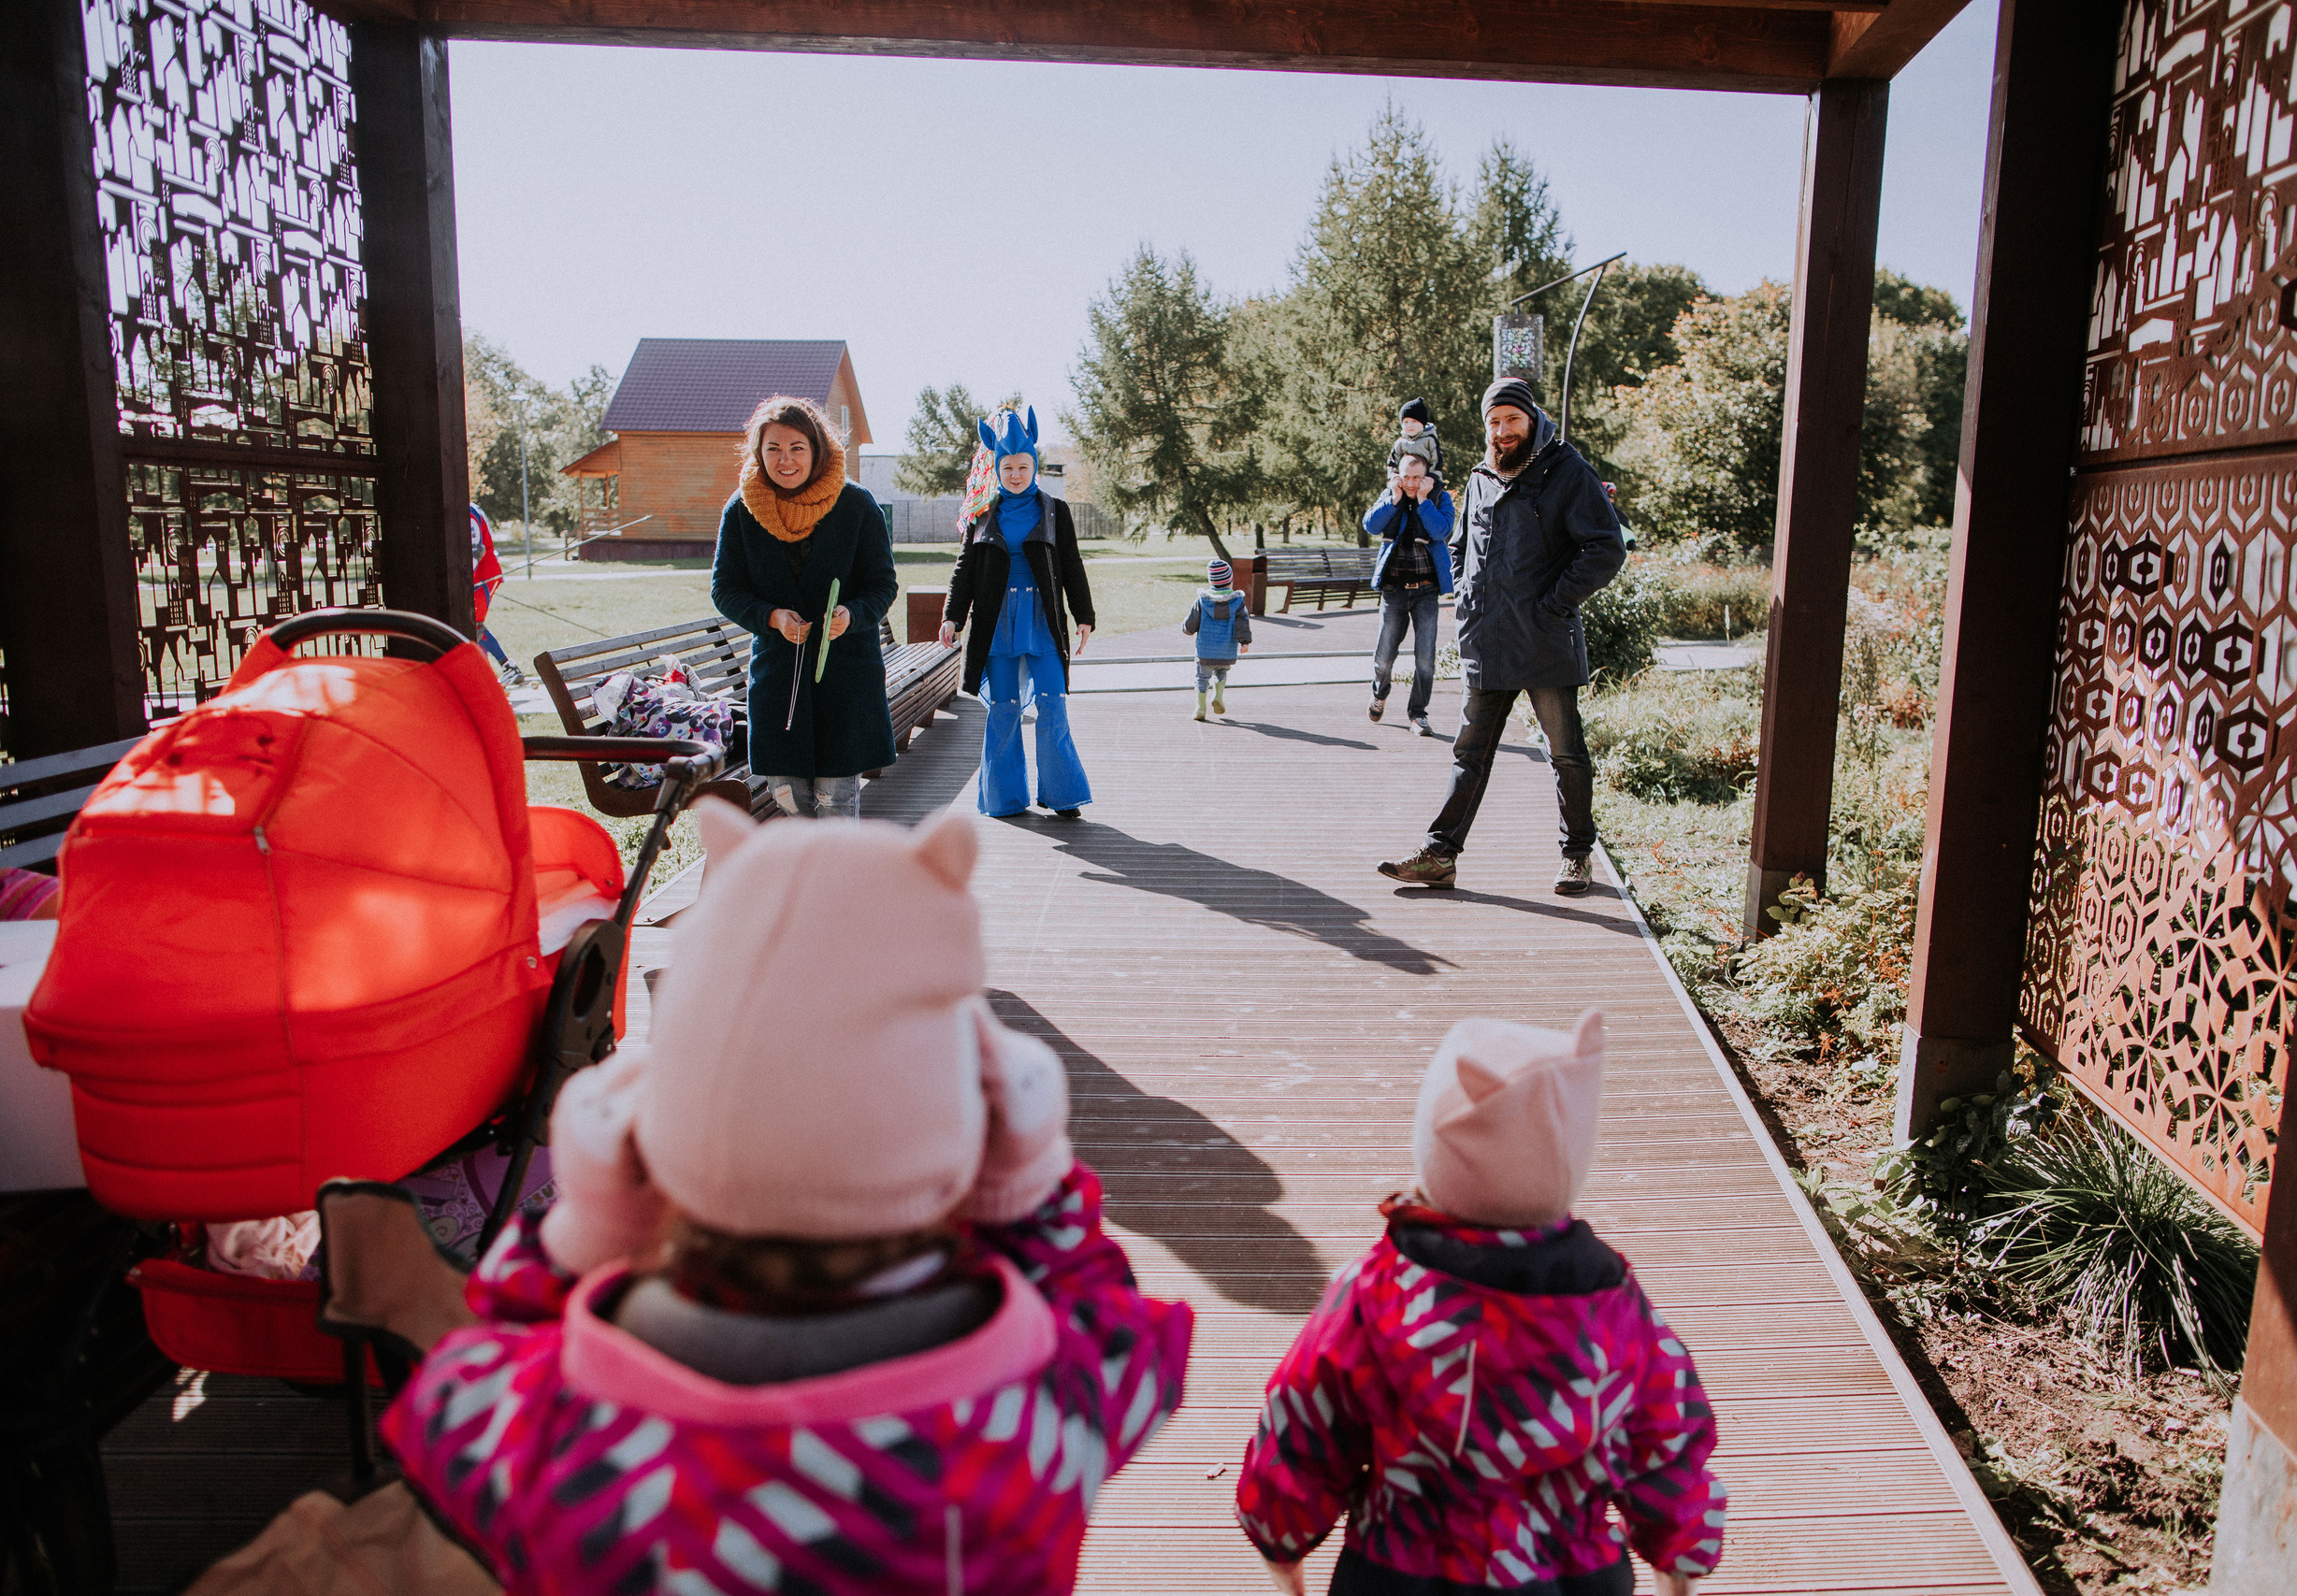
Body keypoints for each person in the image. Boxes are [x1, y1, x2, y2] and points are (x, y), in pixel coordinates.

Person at [383, 801, 1193, 1594]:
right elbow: (1123, 1329)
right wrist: (1029, 1192)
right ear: (968, 1125)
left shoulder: (551, 1439)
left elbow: (457, 1375)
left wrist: (587, 1230)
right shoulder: (1037, 1415)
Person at [1236, 1008, 1724, 1596]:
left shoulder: (1374, 1292)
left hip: (1399, 1572)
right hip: (1576, 1574)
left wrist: (1280, 1540)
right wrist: (1680, 1557)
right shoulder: (1615, 1308)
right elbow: (1668, 1438)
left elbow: (1303, 1429)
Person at [1379, 380, 1625, 897]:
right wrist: (1467, 597)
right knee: (1469, 753)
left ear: (1531, 419)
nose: (1502, 430)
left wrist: (1554, 603)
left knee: (1566, 754)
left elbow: (1605, 548)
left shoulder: (1566, 471)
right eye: (1494, 421)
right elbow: (1461, 544)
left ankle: (1577, 854)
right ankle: (1440, 856)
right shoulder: (1481, 477)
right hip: (1488, 641)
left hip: (1545, 638)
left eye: (1511, 419)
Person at [712, 395, 899, 820]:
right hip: (780, 685)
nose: (786, 460)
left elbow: (882, 584)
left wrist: (851, 615)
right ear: (758, 452)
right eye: (773, 448)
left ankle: (836, 887)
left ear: (817, 450)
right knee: (790, 807)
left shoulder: (856, 505)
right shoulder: (741, 510)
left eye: (798, 447)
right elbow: (725, 589)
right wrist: (771, 618)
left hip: (846, 679)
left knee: (837, 804)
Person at [939, 407, 1096, 819]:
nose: (1015, 474)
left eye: (1023, 466)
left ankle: (1063, 795)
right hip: (997, 624)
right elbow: (964, 571)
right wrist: (951, 616)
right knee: (1005, 708)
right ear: (996, 467)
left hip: (1043, 622)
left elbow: (1073, 566)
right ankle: (1005, 798)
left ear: (1034, 467)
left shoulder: (1055, 510)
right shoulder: (982, 514)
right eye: (1007, 466)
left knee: (1053, 705)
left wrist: (1084, 615)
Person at [1363, 449, 1453, 734]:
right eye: (1406, 477)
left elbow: (1442, 531)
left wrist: (1424, 501)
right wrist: (1394, 500)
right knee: (1384, 656)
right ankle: (1379, 692)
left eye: (1418, 477)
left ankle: (1418, 714)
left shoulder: (1440, 497)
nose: (1412, 483)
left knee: (1425, 659)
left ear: (1427, 477)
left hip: (1426, 591)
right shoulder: (1391, 495)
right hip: (1394, 591)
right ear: (1398, 476)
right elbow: (1371, 525)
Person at [1182, 557, 1252, 722]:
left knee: (1201, 678)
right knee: (1221, 671)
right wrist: (1244, 642)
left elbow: (1192, 622)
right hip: (1226, 650)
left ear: (1211, 580)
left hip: (1205, 650)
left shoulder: (1202, 600)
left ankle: (1200, 708)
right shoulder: (1237, 601)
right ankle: (1218, 696)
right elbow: (1243, 622)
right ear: (1230, 581)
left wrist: (1186, 628)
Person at [467, 503, 522, 686]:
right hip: (473, 577)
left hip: (483, 575)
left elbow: (476, 551)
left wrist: (466, 580)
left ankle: (495, 674)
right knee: (471, 626)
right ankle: (503, 668)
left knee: (474, 626)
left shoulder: (469, 511)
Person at [1386, 396, 1441, 481]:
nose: (1409, 425)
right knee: (1391, 490)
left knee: (1435, 492)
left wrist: (1433, 478)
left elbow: (1436, 460)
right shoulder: (1400, 443)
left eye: (1414, 421)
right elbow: (1393, 462)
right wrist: (1394, 476)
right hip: (1405, 481)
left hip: (1427, 479)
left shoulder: (1429, 440)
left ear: (1422, 423)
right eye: (1406, 422)